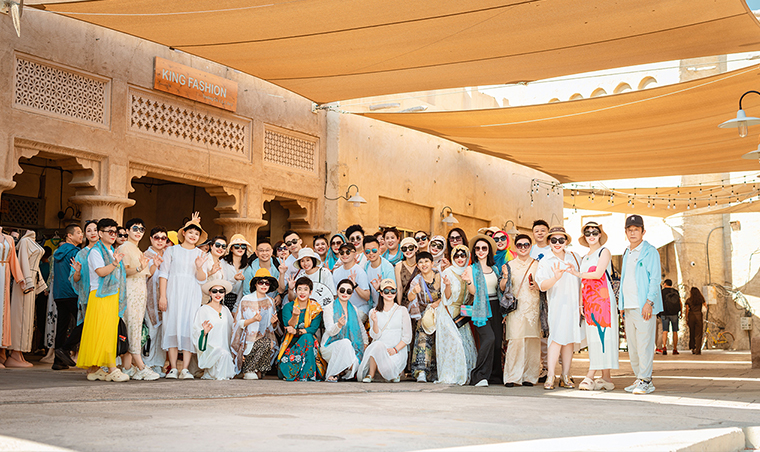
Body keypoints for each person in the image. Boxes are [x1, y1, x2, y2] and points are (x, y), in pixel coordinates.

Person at [77, 218, 129, 382]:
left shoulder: (111, 250)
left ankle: (95, 369)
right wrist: (114, 263)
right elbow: (100, 272)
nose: (114, 235)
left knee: (106, 331)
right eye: (110, 232)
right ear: (100, 233)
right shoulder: (95, 251)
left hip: (111, 295)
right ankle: (112, 368)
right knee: (102, 331)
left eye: (115, 232)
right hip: (100, 295)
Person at [568, 222, 618, 391]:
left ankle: (590, 375)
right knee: (595, 337)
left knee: (603, 336)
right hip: (589, 300)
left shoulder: (604, 252)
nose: (591, 235)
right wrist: (581, 303)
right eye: (588, 233)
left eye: (594, 232)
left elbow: (597, 274)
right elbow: (583, 282)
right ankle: (606, 378)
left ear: (600, 234)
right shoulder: (585, 257)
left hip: (603, 300)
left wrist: (577, 273)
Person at [158, 214, 209, 380]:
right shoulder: (171, 250)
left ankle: (185, 368)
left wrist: (199, 267)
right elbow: (164, 274)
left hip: (191, 294)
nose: (193, 236)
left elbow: (202, 279)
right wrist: (163, 296)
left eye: (196, 233)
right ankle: (173, 367)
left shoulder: (200, 254)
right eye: (191, 232)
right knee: (171, 325)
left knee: (188, 327)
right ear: (184, 233)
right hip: (173, 292)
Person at [535, 226, 583, 390]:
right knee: (555, 339)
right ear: (549, 242)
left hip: (573, 306)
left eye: (561, 240)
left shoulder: (575, 258)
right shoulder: (545, 260)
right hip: (556, 305)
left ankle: (566, 374)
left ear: (566, 241)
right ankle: (550, 375)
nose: (557, 243)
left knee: (569, 340)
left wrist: (581, 304)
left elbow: (582, 282)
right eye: (554, 240)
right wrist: (555, 278)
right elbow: (542, 285)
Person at [619, 215, 662, 395]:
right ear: (626, 232)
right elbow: (625, 279)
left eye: (636, 230)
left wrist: (649, 302)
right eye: (630, 230)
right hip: (629, 307)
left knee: (644, 345)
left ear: (643, 232)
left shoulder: (650, 251)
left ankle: (646, 379)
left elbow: (655, 279)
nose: (633, 233)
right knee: (634, 347)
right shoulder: (626, 252)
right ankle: (640, 378)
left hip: (644, 306)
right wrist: (622, 304)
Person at [117, 218, 160, 381]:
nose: (138, 232)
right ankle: (141, 366)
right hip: (130, 292)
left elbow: (145, 274)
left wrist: (154, 265)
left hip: (139, 292)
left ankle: (127, 367)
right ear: (127, 231)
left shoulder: (136, 249)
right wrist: (139, 268)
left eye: (142, 229)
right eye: (135, 228)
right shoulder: (125, 247)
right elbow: (123, 271)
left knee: (134, 327)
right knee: (133, 327)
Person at [464, 234, 507, 387]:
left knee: (497, 343)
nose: (481, 251)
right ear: (474, 251)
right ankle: (479, 375)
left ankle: (494, 376)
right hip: (480, 308)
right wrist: (468, 281)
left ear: (489, 250)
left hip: (496, 307)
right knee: (489, 338)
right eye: (478, 248)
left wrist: (505, 277)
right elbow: (473, 292)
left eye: (484, 248)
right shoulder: (471, 268)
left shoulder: (494, 269)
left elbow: (500, 289)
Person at [503, 234, 541, 387]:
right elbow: (502, 288)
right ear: (515, 247)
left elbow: (545, 285)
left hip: (533, 307)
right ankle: (511, 376)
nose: (523, 247)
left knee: (532, 341)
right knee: (515, 341)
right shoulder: (509, 265)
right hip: (516, 309)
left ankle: (530, 376)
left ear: (530, 246)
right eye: (520, 245)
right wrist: (505, 277)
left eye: (526, 245)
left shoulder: (538, 264)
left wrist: (537, 286)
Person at [436, 244, 477, 385]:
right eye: (457, 255)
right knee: (454, 344)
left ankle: (466, 375)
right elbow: (446, 298)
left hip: (462, 314)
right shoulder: (448, 271)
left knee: (466, 345)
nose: (460, 258)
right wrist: (447, 285)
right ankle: (453, 375)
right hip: (448, 312)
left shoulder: (469, 271)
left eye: (463, 255)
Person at [357, 279, 412, 383]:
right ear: (381, 293)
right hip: (381, 348)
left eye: (393, 291)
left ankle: (394, 373)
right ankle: (371, 374)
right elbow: (375, 336)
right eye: (386, 291)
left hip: (396, 350)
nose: (389, 294)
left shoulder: (402, 310)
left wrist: (395, 349)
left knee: (387, 369)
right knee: (376, 344)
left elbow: (407, 337)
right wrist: (375, 322)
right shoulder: (373, 312)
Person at [232, 268, 279, 380]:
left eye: (267, 283)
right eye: (261, 282)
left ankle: (256, 369)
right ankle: (249, 369)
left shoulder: (270, 301)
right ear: (255, 284)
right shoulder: (246, 299)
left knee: (269, 343)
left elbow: (272, 327)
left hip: (264, 337)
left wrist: (274, 323)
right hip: (248, 338)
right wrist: (253, 320)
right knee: (265, 343)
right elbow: (239, 323)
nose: (264, 285)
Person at [277, 277, 325, 381]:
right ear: (295, 291)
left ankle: (306, 374)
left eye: (305, 289)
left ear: (310, 292)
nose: (302, 292)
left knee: (308, 336)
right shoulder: (288, 307)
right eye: (299, 289)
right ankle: (299, 372)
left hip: (309, 343)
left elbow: (312, 329)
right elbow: (288, 326)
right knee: (282, 373)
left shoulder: (316, 308)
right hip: (291, 341)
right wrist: (295, 316)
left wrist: (297, 331)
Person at [64, 219, 100, 358]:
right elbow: (75, 278)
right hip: (87, 295)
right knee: (88, 328)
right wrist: (78, 272)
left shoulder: (106, 251)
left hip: (104, 295)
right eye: (88, 230)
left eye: (95, 230)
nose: (92, 233)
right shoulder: (81, 254)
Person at [322, 279, 368, 381]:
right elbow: (330, 331)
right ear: (337, 290)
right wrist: (338, 325)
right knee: (345, 343)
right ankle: (337, 373)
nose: (345, 293)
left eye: (349, 291)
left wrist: (365, 343)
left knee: (351, 351)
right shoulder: (329, 308)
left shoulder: (354, 309)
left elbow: (361, 328)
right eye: (342, 290)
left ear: (352, 293)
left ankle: (342, 371)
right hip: (330, 346)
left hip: (351, 347)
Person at [50, 224, 82, 370]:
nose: (81, 235)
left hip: (59, 293)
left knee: (62, 326)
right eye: (78, 232)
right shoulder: (75, 252)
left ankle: (58, 361)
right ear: (69, 235)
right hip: (71, 292)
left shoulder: (58, 252)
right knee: (84, 322)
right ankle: (65, 349)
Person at [407, 251, 441, 383]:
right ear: (417, 265)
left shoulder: (440, 275)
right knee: (423, 341)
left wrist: (438, 303)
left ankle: (438, 372)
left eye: (426, 261)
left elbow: (447, 294)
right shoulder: (417, 280)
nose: (424, 264)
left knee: (439, 342)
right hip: (425, 314)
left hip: (441, 312)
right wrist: (414, 291)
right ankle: (421, 372)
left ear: (432, 263)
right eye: (420, 262)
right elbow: (410, 297)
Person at [192, 280, 236, 380]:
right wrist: (204, 332)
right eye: (215, 291)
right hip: (211, 349)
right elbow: (196, 330)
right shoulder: (203, 310)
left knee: (225, 356)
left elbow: (232, 329)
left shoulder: (225, 310)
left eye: (221, 291)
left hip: (225, 349)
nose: (218, 294)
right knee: (222, 355)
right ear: (210, 293)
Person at [143, 226, 168, 376]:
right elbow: (143, 276)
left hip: (165, 300)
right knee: (150, 333)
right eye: (157, 237)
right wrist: (154, 265)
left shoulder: (167, 255)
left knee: (162, 333)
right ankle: (147, 364)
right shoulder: (145, 255)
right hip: (149, 300)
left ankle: (158, 364)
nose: (160, 241)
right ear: (151, 239)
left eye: (163, 238)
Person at [530, 219, 551, 383]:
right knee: (539, 331)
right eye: (537, 231)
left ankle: (552, 368)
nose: (540, 233)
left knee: (549, 331)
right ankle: (541, 367)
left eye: (543, 230)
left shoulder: (553, 248)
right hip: (534, 294)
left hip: (550, 293)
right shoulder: (530, 249)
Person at [332, 243, 371, 322]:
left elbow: (367, 297)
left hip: (360, 308)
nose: (344, 255)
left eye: (348, 252)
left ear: (355, 254)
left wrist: (355, 285)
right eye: (342, 252)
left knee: (351, 323)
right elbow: (335, 295)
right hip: (343, 310)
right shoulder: (336, 272)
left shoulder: (360, 272)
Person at [242, 240, 281, 308]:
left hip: (274, 306)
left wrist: (279, 295)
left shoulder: (278, 264)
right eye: (261, 250)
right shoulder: (250, 270)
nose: (264, 253)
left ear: (271, 251)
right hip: (255, 307)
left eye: (267, 250)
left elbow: (283, 284)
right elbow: (246, 291)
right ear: (256, 253)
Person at [221, 234, 252, 311]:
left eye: (243, 246)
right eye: (236, 246)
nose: (240, 248)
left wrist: (236, 307)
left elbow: (243, 288)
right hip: (222, 297)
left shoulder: (246, 266)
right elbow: (222, 285)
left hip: (239, 300)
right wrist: (234, 279)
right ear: (231, 249)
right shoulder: (223, 263)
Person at [364, 235, 396, 310]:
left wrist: (379, 289)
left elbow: (393, 292)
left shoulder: (387, 267)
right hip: (371, 307)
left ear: (379, 250)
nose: (371, 253)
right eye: (367, 251)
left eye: (374, 250)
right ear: (364, 253)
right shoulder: (366, 266)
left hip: (385, 308)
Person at [394, 237, 419, 307]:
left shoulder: (421, 264)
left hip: (420, 302)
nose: (408, 250)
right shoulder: (399, 266)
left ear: (416, 248)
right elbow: (399, 289)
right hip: (405, 304)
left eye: (410, 248)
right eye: (404, 249)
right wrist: (399, 307)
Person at [277, 230, 303, 296]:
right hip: (296, 296)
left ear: (300, 241)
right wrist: (282, 273)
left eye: (294, 241)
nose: (292, 245)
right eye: (289, 243)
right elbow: (280, 290)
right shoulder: (287, 263)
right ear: (286, 246)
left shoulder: (313, 256)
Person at [661, 279, 682, 355]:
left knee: (665, 331)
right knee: (675, 331)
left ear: (665, 284)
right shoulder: (675, 291)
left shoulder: (662, 292)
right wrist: (681, 311)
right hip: (674, 314)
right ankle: (675, 349)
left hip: (665, 314)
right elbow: (680, 302)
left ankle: (664, 347)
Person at [685, 286, 706, 355]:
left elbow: (687, 310)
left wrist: (686, 319)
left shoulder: (688, 300)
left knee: (692, 333)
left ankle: (693, 348)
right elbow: (705, 307)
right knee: (699, 334)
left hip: (691, 316)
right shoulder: (701, 299)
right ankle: (698, 349)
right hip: (699, 316)